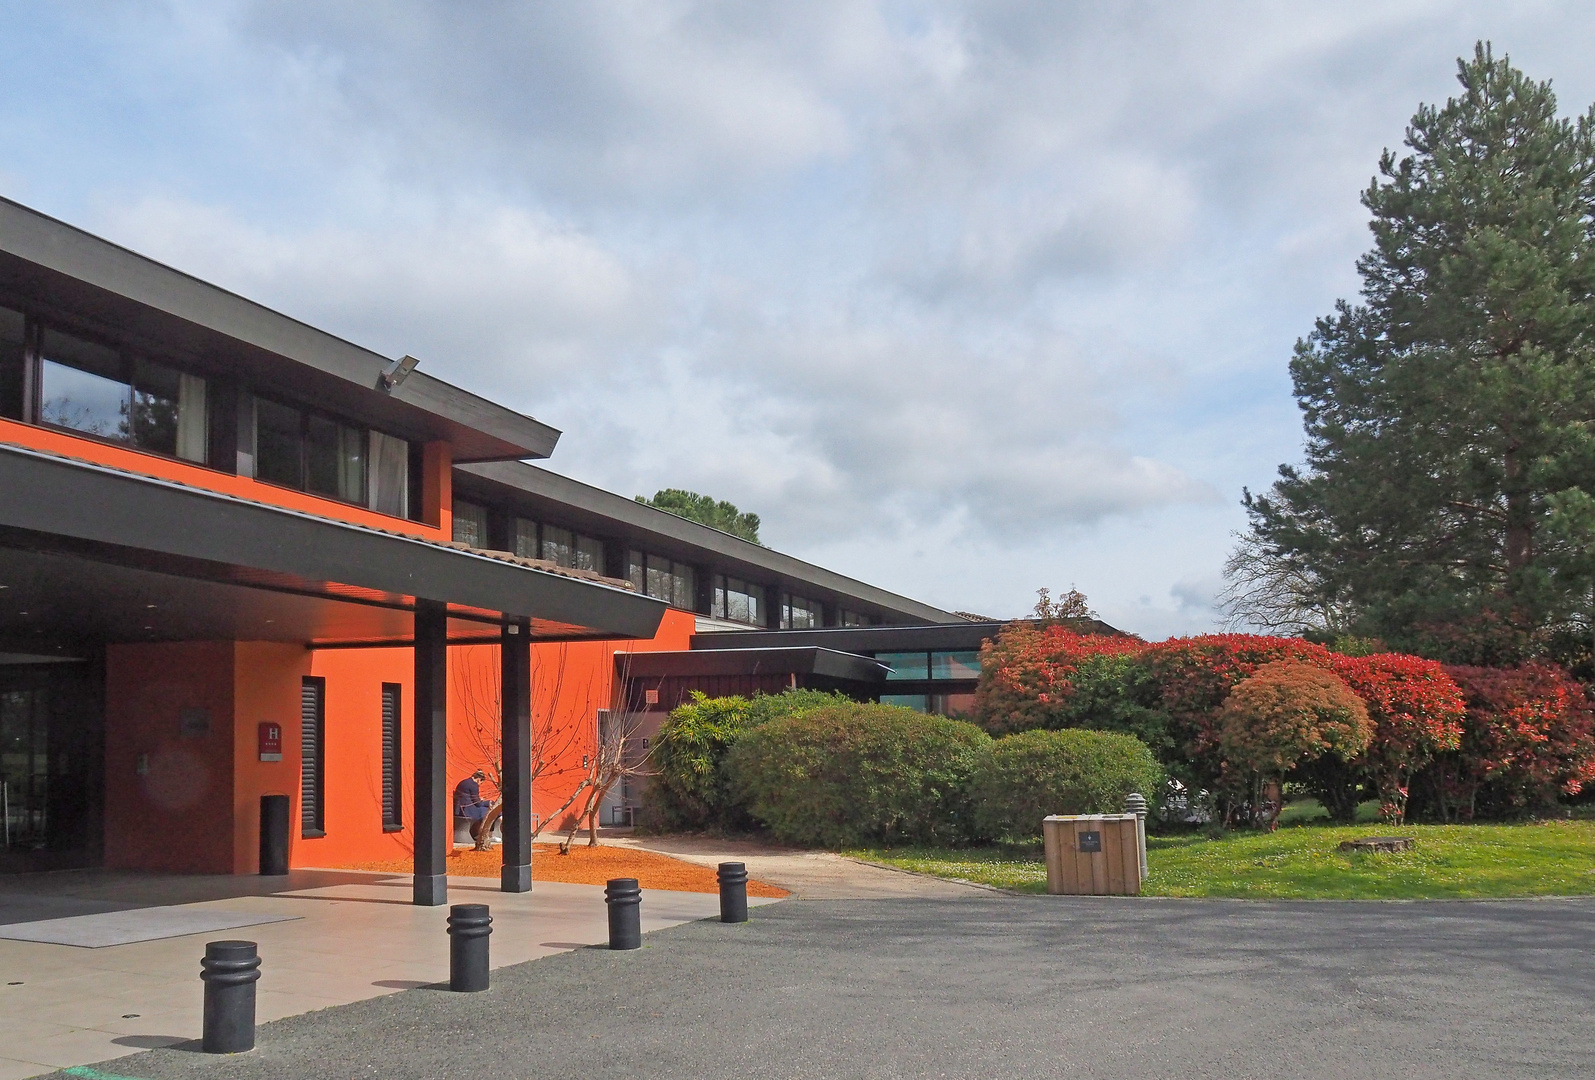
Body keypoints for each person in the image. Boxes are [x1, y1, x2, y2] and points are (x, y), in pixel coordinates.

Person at [453, 770, 494, 842]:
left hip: (458, 809)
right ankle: (489, 834)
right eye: (481, 783)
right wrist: (488, 802)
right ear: (478, 779)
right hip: (468, 811)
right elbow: (478, 804)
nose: (479, 785)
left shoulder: (463, 782)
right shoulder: (473, 785)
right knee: (491, 810)